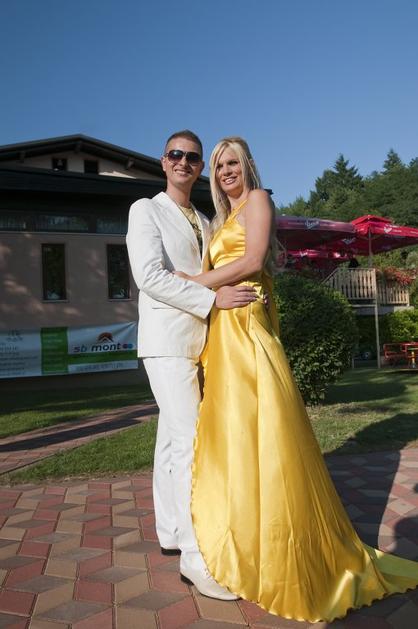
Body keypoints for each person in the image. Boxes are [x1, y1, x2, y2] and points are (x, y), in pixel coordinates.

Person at [173, 137, 418, 622]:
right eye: (218, 166)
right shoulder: (220, 219)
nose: (225, 171)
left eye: (232, 162)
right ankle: (244, 537)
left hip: (248, 331)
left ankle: (285, 550)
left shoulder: (258, 200)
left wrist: (188, 283)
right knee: (235, 440)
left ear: (247, 165)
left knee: (270, 436)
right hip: (224, 332)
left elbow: (252, 261)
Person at [126, 130, 256, 600]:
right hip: (166, 342)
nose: (184, 161)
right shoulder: (145, 209)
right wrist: (211, 297)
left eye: (193, 157)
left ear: (201, 167)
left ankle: (169, 531)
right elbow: (149, 276)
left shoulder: (205, 219)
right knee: (191, 445)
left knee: (170, 441)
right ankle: (196, 559)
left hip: (202, 343)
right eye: (175, 154)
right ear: (163, 161)